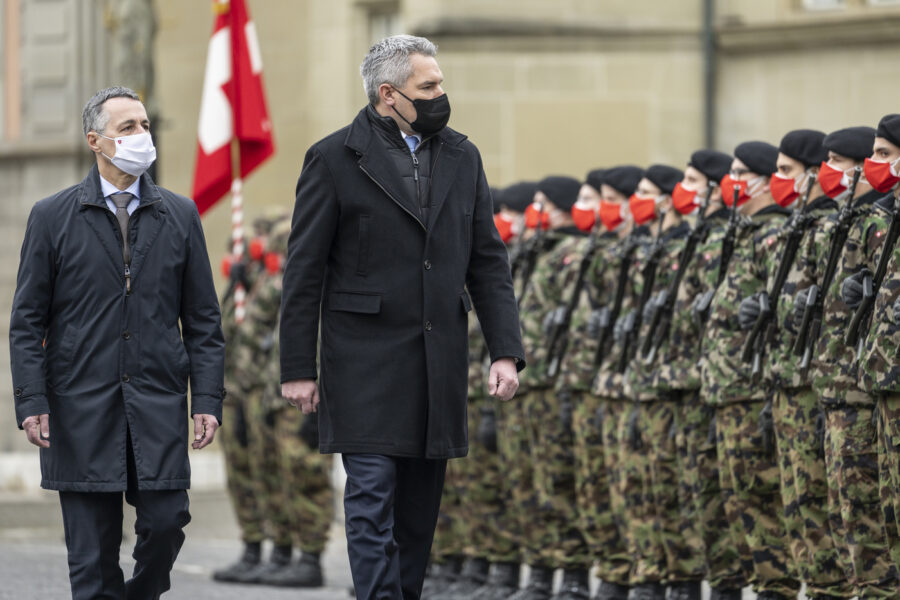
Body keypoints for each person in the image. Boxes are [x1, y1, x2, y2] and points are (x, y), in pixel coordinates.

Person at [279, 34, 525, 600]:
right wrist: (297, 367)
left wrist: (504, 350)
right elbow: (304, 271)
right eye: (429, 86)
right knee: (371, 500)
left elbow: (487, 261)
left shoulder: (464, 156)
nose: (443, 94)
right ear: (388, 94)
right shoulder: (333, 157)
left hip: (436, 364)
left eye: (441, 83)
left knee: (418, 514)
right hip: (362, 362)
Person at [9, 86, 225, 599]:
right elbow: (26, 322)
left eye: (145, 125)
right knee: (91, 561)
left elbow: (202, 320)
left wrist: (208, 400)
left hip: (157, 402)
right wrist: (32, 402)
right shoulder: (52, 216)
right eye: (127, 128)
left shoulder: (180, 215)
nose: (141, 136)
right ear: (95, 141)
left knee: (168, 522)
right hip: (80, 407)